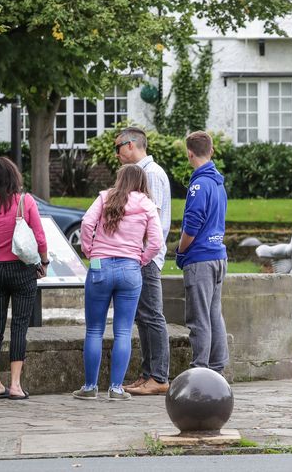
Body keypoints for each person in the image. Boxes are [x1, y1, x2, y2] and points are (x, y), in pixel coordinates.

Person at [73, 164, 162, 401]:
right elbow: (156, 242)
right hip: (130, 268)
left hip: (100, 266)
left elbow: (86, 224)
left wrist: (89, 251)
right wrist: (141, 259)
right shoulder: (147, 204)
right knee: (123, 331)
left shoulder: (105, 198)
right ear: (141, 182)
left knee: (94, 329)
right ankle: (116, 388)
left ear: (120, 179)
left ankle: (90, 387)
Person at [0, 156, 49, 400]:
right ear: (14, 177)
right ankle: (15, 385)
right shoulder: (25, 202)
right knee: (19, 326)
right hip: (23, 270)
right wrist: (43, 263)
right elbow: (41, 238)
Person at [114, 127, 173, 396]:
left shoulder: (150, 174)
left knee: (151, 315)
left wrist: (142, 254)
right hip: (139, 256)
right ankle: (148, 374)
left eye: (118, 147)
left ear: (131, 145)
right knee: (142, 316)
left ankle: (159, 376)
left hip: (145, 256)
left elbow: (154, 221)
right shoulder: (144, 173)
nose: (116, 154)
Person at [175, 131, 229, 373]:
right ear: (212, 151)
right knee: (214, 314)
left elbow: (192, 224)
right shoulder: (218, 183)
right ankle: (217, 368)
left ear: (189, 153)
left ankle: (200, 370)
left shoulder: (199, 184)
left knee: (199, 319)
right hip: (219, 255)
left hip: (201, 259)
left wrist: (180, 250)